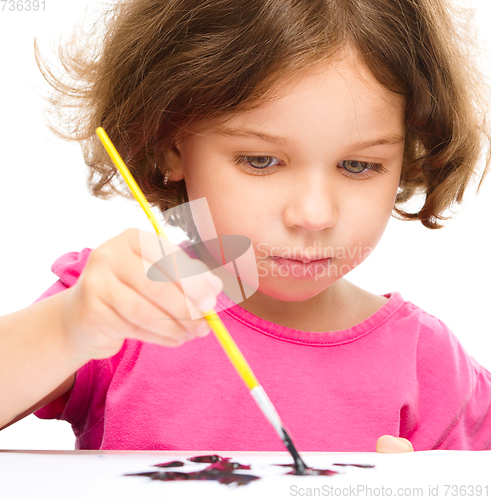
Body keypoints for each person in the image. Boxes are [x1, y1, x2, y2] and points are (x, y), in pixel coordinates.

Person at [1, 0, 490, 454]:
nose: (314, 215)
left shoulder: (428, 364)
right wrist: (70, 326)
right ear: (171, 143)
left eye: (358, 166)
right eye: (261, 160)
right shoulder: (124, 307)